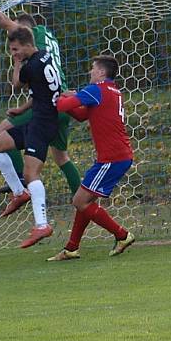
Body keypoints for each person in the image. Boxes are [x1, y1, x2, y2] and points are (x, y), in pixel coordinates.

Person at [0, 0, 81, 200]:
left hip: (49, 108)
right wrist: (22, 108)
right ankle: (84, 202)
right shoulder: (48, 37)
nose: (13, 36)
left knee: (2, 129)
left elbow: (16, 83)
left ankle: (19, 182)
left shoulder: (31, 38)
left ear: (25, 30)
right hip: (63, 102)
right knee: (61, 157)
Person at [47, 54, 136, 261]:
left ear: (102, 72)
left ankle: (122, 235)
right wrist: (73, 98)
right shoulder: (112, 91)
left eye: (93, 68)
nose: (90, 72)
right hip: (118, 156)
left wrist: (60, 96)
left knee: (79, 201)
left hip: (111, 159)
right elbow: (80, 115)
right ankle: (71, 248)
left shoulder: (96, 89)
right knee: (85, 201)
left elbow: (62, 107)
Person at [0, 27, 62, 248]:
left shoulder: (31, 65)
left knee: (31, 174)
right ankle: (19, 193)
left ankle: (42, 225)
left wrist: (17, 63)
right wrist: (22, 109)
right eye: (11, 51)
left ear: (27, 44)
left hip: (43, 124)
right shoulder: (44, 55)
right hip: (35, 119)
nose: (14, 54)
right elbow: (42, 92)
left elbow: (16, 84)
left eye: (15, 49)